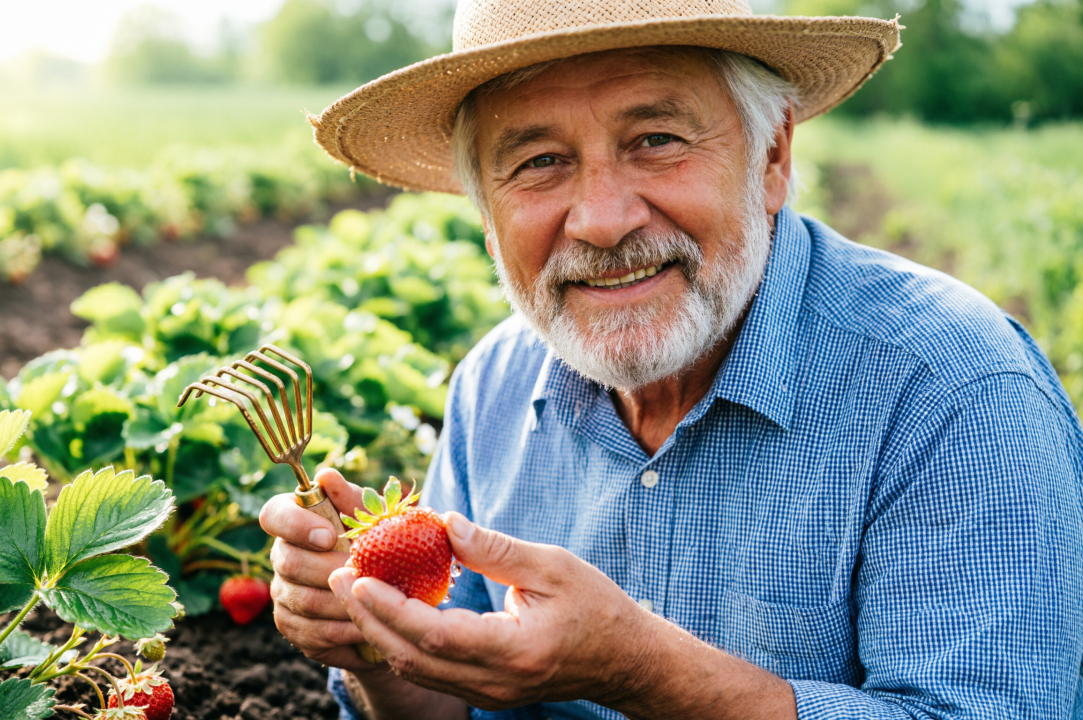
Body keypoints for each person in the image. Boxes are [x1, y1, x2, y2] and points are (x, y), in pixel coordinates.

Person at [260, 0, 1083, 717]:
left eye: (656, 139)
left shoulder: (956, 393)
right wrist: (375, 638)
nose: (604, 220)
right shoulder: (494, 385)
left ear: (772, 159)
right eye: (539, 162)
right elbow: (447, 708)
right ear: (485, 210)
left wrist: (643, 672)